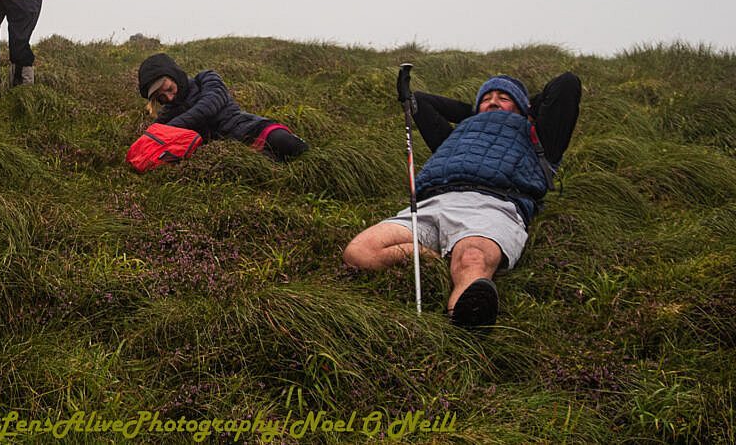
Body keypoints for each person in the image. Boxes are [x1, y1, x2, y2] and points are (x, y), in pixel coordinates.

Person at [343, 72, 581, 327]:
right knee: (359, 252)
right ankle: (437, 260)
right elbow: (421, 101)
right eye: (486, 98)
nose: (493, 102)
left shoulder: (540, 136)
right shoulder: (454, 136)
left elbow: (566, 84)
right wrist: (478, 113)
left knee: (472, 258)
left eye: (504, 98)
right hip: (431, 203)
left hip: (493, 205)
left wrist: (523, 108)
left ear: (526, 108)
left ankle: (465, 323)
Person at [136, 53, 309, 162]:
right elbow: (152, 137)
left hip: (250, 129)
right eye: (161, 97)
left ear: (175, 76)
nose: (169, 97)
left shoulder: (206, 79)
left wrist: (170, 128)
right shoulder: (168, 113)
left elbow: (210, 105)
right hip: (227, 153)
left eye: (168, 89)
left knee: (286, 143)